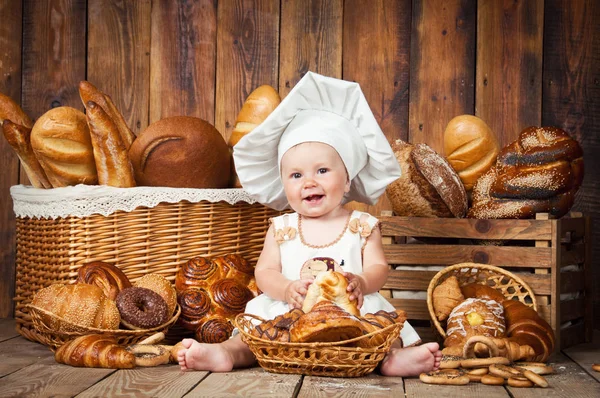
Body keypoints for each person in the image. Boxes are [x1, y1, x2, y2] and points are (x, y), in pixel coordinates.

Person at [177, 72, 441, 376]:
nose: (309, 182)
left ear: (347, 181)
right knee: (258, 334)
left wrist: (362, 283)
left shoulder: (362, 225)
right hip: (291, 310)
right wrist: (287, 288)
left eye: (323, 170)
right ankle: (226, 354)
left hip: (350, 309)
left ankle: (393, 359)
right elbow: (264, 273)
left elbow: (379, 268)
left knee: (377, 330)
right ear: (284, 183)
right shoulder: (282, 228)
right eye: (296, 175)